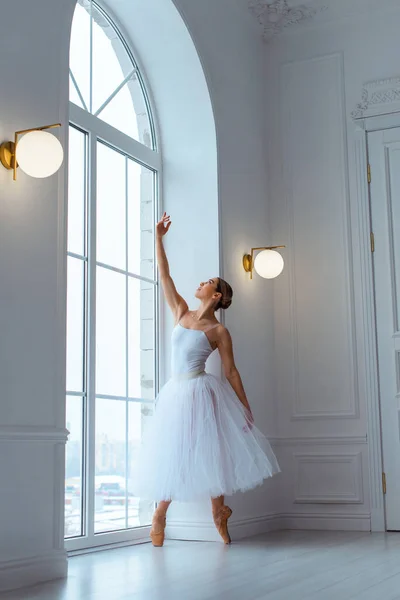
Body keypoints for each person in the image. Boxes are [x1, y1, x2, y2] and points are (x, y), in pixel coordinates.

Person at [133, 213, 280, 546]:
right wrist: (158, 238)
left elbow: (230, 371)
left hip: (201, 392)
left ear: (216, 296)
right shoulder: (181, 312)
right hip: (176, 392)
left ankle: (218, 512)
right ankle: (160, 514)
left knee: (208, 451)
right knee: (176, 451)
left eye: (207, 282)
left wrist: (245, 406)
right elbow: (164, 274)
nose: (200, 283)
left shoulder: (218, 331)